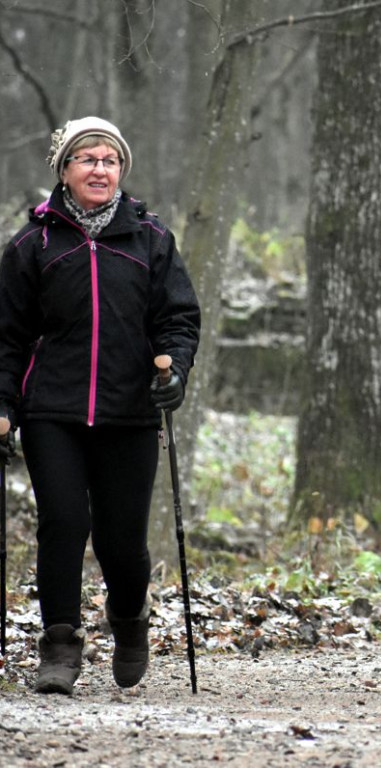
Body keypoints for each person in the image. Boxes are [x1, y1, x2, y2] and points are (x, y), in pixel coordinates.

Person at [0, 117, 201, 694]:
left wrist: (175, 372)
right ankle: (59, 646)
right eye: (86, 159)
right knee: (62, 524)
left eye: (109, 160)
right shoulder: (32, 243)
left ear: (121, 172)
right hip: (52, 410)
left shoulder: (151, 238)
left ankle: (129, 619)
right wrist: (5, 404)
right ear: (64, 170)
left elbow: (178, 320)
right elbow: (8, 335)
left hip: (129, 411)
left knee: (121, 539)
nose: (99, 169)